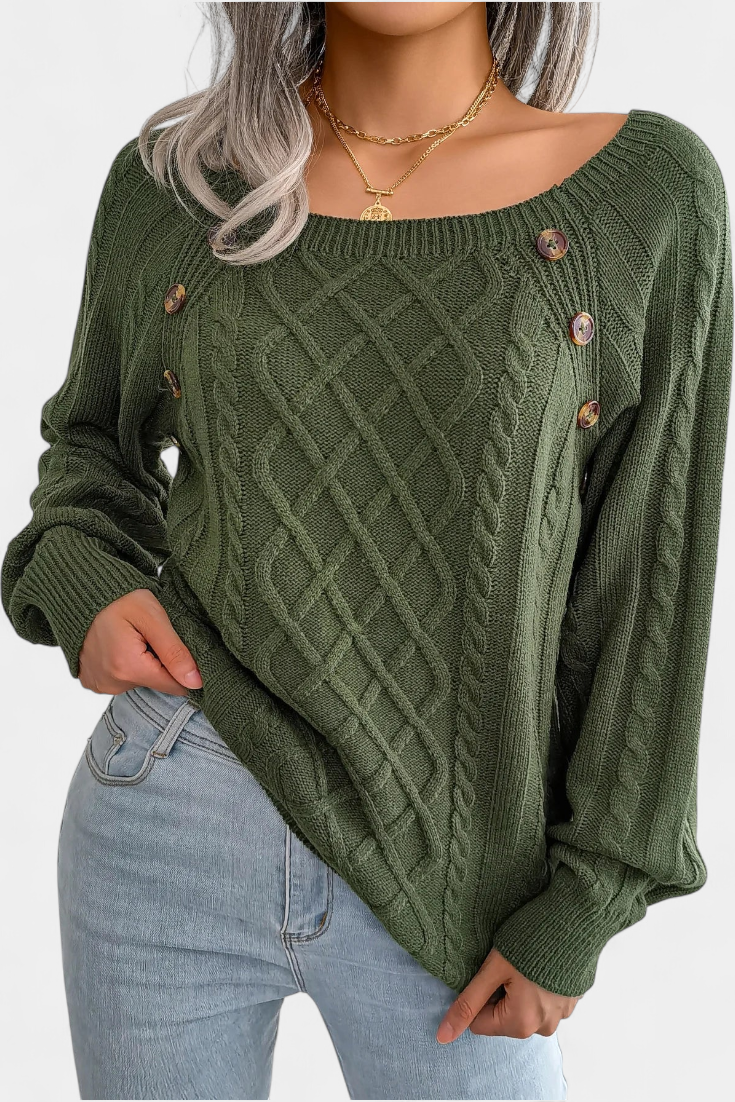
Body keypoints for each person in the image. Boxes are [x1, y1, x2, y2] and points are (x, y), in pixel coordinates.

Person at [2, 3, 732, 1100]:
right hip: (171, 811)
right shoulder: (179, 186)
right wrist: (86, 584)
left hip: (464, 880)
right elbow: (91, 450)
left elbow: (649, 582)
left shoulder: (644, 199)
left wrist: (587, 898)